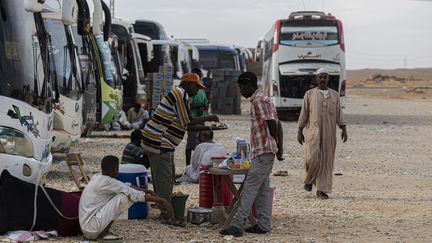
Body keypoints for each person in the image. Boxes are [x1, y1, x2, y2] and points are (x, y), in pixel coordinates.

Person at [141, 72, 222, 222]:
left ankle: (163, 207)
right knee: (165, 179)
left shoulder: (181, 95)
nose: (197, 91)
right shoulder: (180, 94)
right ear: (190, 84)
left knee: (165, 176)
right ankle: (166, 215)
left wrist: (211, 127)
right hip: (159, 141)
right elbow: (189, 123)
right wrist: (210, 119)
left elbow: (186, 125)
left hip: (159, 141)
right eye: (196, 87)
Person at [220, 72, 284, 237]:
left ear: (249, 84)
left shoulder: (259, 100)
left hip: (263, 151)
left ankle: (238, 224)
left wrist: (275, 145)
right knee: (262, 190)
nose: (241, 91)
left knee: (249, 188)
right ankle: (263, 225)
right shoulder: (264, 98)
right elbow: (278, 123)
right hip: (264, 151)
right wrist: (279, 148)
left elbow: (272, 123)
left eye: (242, 87)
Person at [78, 155, 173, 240]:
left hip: (88, 226)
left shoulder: (98, 177)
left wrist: (148, 191)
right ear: (115, 170)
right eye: (118, 169)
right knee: (124, 197)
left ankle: (104, 231)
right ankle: (104, 232)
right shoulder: (107, 182)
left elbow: (125, 186)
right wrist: (162, 200)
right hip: (91, 228)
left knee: (124, 192)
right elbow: (131, 192)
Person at [297, 67, 348, 199]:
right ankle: (308, 180)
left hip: (329, 134)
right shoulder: (309, 94)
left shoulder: (335, 95)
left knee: (326, 161)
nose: (323, 79)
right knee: (312, 158)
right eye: (320, 77)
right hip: (314, 132)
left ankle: (321, 190)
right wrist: (299, 130)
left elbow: (339, 114)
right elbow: (304, 113)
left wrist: (343, 129)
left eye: (325, 77)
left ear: (328, 79)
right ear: (316, 78)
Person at [185, 68, 209, 166]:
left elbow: (205, 101)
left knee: (200, 144)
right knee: (191, 144)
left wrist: (205, 107)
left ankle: (197, 165)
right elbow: (188, 106)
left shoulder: (201, 89)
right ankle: (188, 166)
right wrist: (199, 105)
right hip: (192, 120)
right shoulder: (187, 92)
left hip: (201, 118)